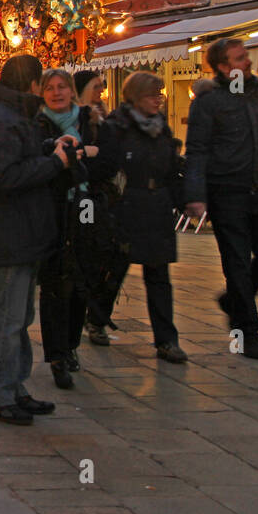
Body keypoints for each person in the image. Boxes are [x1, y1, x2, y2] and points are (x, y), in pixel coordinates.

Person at [0, 54, 72, 425]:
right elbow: (6, 176)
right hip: (11, 230)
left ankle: (15, 388)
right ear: (30, 83)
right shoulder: (1, 119)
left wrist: (49, 150)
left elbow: (17, 160)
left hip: (22, 229)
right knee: (8, 318)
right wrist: (55, 163)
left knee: (19, 315)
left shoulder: (10, 116)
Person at [184, 38, 258, 360]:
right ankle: (247, 332)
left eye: (246, 56)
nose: (248, 62)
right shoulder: (209, 102)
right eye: (240, 59)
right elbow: (197, 151)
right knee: (238, 263)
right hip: (227, 191)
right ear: (223, 67)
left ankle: (233, 300)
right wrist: (195, 196)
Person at [89, 71, 187, 362]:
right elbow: (105, 167)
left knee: (158, 275)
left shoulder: (161, 129)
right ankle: (96, 318)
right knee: (115, 268)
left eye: (160, 94)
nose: (158, 99)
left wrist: (184, 200)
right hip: (126, 206)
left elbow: (171, 169)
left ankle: (166, 340)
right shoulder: (116, 127)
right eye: (151, 94)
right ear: (135, 96)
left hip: (156, 207)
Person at [33, 68, 105, 390]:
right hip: (52, 207)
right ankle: (57, 356)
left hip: (85, 204)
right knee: (54, 281)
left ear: (72, 91)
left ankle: (72, 343)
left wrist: (84, 157)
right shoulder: (38, 125)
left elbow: (109, 160)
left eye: (62, 86)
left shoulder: (90, 120)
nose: (57, 92)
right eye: (50, 87)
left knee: (82, 276)